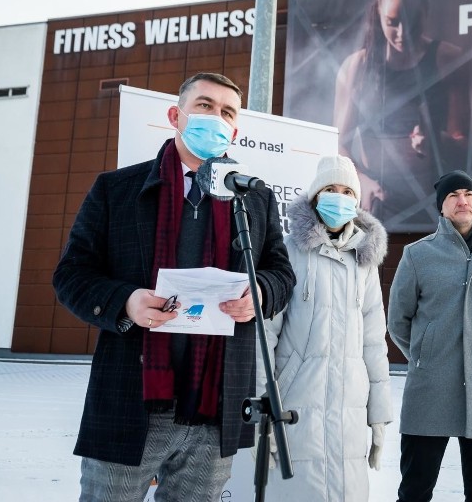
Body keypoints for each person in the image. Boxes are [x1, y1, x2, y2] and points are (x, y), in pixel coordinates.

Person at [52, 72, 296, 501]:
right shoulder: (117, 190)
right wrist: (125, 302)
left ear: (234, 130)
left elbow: (281, 272)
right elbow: (71, 275)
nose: (215, 118)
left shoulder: (255, 200)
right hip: (134, 396)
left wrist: (261, 292)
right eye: (204, 106)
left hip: (215, 401)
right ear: (175, 115)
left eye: (226, 112)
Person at [387, 170, 472, 502]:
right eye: (453, 195)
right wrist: (425, 355)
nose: (462, 201)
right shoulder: (417, 254)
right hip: (429, 389)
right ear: (441, 206)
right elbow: (398, 320)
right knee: (414, 491)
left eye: (469, 194)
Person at [260, 154, 393, 501]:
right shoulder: (288, 252)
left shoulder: (364, 262)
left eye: (347, 191)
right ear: (316, 196)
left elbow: (374, 343)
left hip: (351, 406)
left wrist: (378, 415)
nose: (339, 197)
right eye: (330, 189)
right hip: (296, 404)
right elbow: (265, 336)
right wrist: (266, 409)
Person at [333, 0, 468, 225]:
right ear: (379, 15)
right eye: (392, 22)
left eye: (412, 20)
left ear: (426, 11)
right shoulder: (356, 67)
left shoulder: (447, 60)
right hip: (375, 202)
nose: (402, 32)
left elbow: (466, 146)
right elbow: (337, 143)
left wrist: (436, 141)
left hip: (433, 200)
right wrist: (361, 179)